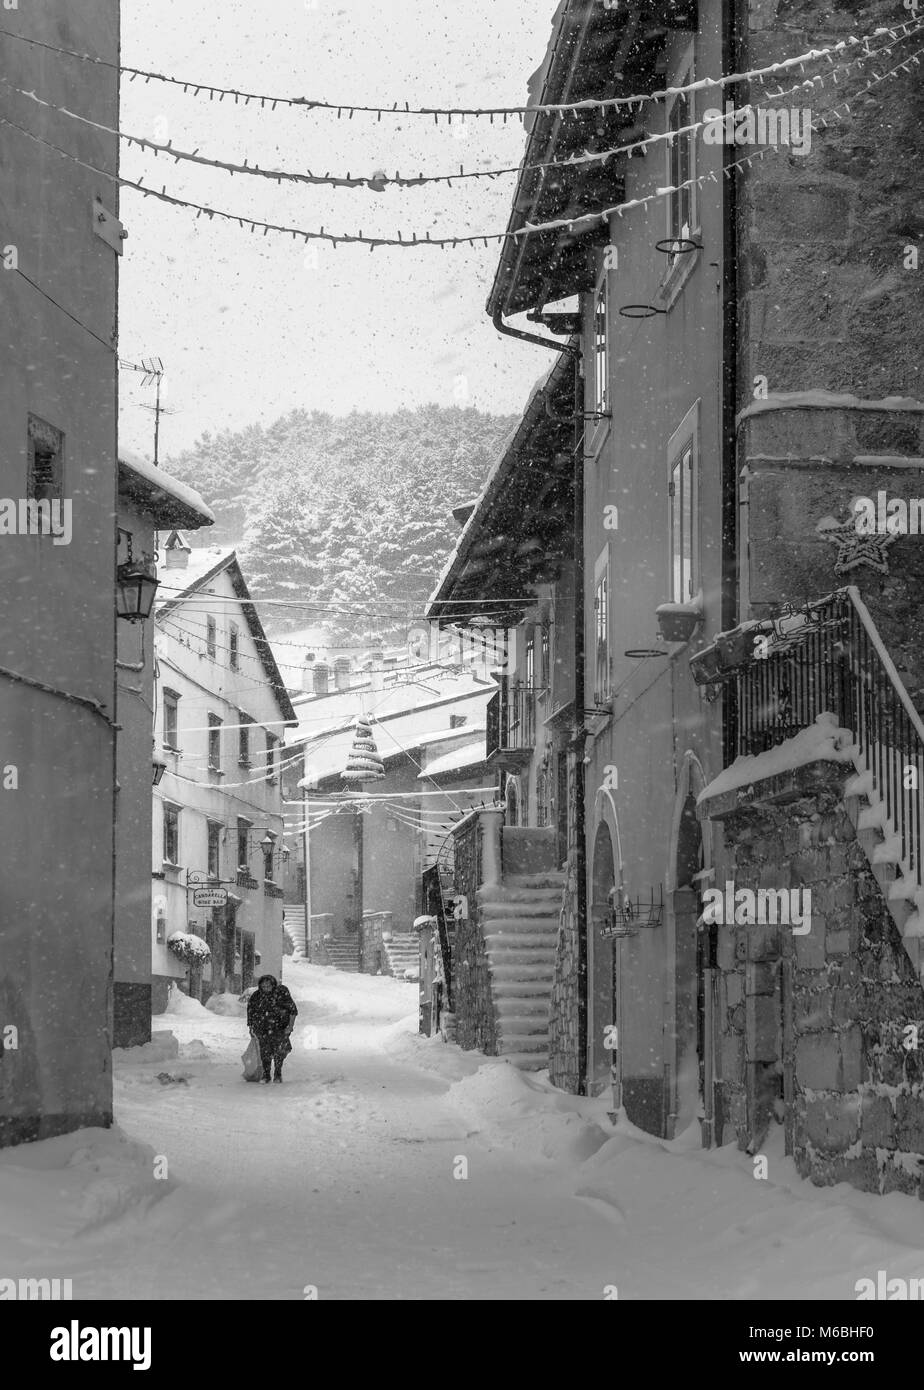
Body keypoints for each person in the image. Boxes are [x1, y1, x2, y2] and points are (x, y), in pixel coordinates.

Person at [246, 974, 298, 1083]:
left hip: (280, 1027)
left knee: (280, 1050)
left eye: (268, 986)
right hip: (262, 1028)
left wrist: (290, 1026)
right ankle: (266, 1074)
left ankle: (278, 1073)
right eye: (263, 987)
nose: (266, 989)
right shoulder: (256, 996)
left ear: (273, 985)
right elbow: (250, 1011)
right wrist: (250, 1027)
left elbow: (293, 1010)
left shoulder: (282, 993)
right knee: (265, 1052)